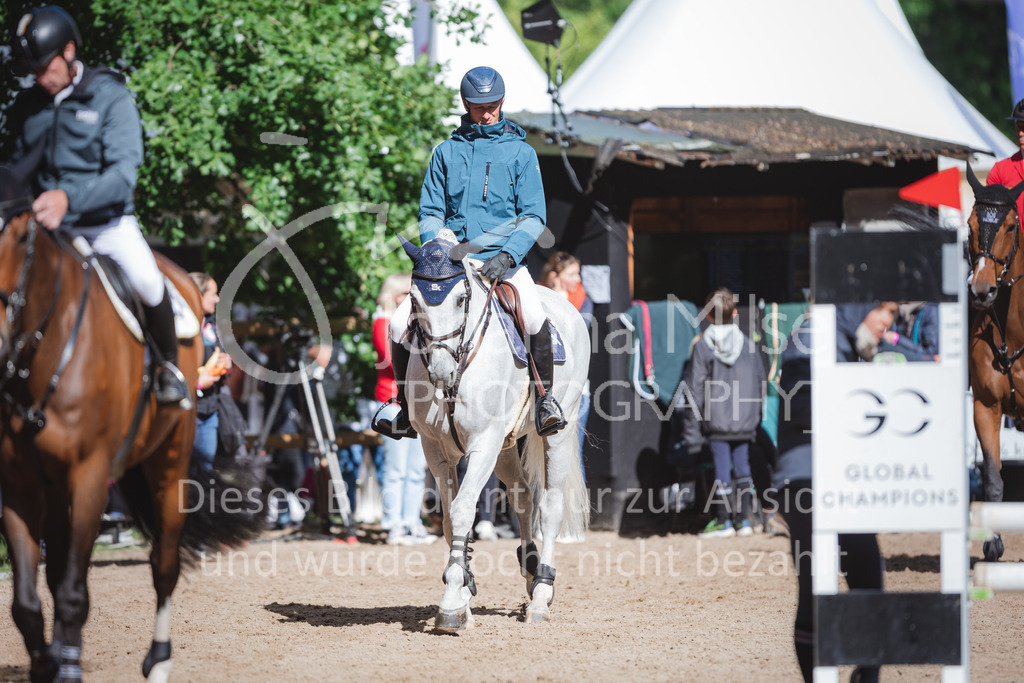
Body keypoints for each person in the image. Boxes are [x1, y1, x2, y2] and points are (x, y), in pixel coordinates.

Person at [8, 5, 189, 406]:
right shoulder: (28, 107)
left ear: (69, 51)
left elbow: (122, 176)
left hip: (105, 226)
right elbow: (17, 172)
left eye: (44, 67)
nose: (38, 77)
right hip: (47, 229)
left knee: (147, 279)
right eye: (32, 70)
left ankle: (168, 369)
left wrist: (69, 198)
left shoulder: (110, 98)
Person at [379, 66, 565, 440]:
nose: (488, 113)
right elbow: (430, 211)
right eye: (480, 106)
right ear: (465, 104)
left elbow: (533, 216)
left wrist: (509, 256)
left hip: (503, 261)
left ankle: (545, 400)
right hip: (452, 262)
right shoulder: (445, 152)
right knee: (399, 324)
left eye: (494, 105)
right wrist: (440, 248)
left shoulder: (522, 153)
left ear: (502, 102)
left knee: (532, 316)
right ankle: (401, 405)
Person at [774, 306, 884, 683]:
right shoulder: (810, 335)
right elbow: (797, 403)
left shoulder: (856, 341)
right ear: (862, 308)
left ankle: (866, 675)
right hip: (807, 481)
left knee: (868, 578)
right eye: (884, 314)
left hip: (843, 480)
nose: (888, 327)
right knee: (817, 589)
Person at [682, 287, 767, 538]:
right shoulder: (749, 345)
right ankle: (744, 521)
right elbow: (761, 383)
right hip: (746, 421)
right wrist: (755, 416)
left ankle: (723, 521)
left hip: (716, 422)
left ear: (707, 316)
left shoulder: (702, 347)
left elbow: (694, 389)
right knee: (743, 468)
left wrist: (691, 430)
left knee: (721, 470)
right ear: (736, 313)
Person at [373, 273, 436, 545]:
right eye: (403, 293)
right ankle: (392, 523)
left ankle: (411, 521)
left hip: (416, 401)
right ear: (392, 295)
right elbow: (389, 360)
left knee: (415, 469)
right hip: (392, 400)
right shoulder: (382, 321)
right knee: (395, 468)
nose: (407, 298)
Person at [539, 251, 593, 469]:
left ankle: (574, 503)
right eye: (572, 274)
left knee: (571, 454)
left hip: (576, 391)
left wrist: (561, 301)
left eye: (577, 274)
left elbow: (577, 336)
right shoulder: (536, 297)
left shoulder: (583, 302)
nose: (577, 280)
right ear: (554, 276)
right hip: (540, 390)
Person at [188, 273, 232, 473]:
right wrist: (197, 383)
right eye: (213, 294)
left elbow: (221, 355)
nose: (218, 299)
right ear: (198, 294)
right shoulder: (181, 325)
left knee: (205, 475)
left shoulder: (212, 325)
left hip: (209, 414)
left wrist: (226, 364)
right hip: (186, 413)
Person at [986, 97, 1024, 222]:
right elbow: (988, 216)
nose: (1020, 133)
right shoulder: (1000, 170)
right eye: (1018, 127)